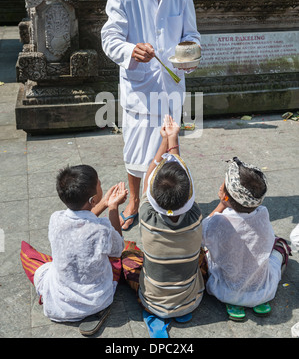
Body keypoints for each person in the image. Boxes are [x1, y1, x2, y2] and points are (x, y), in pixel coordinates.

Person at [101, 0, 201, 230]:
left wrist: (188, 54)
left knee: (171, 141)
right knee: (134, 146)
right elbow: (110, 38)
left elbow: (193, 37)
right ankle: (134, 199)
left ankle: (173, 198)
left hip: (170, 84)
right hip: (139, 85)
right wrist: (131, 50)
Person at [20, 164, 128, 336]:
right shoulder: (102, 230)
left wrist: (104, 203)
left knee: (28, 254)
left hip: (59, 302)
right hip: (97, 300)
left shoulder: (55, 219)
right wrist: (113, 208)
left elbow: (83, 219)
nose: (101, 185)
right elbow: (117, 251)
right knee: (127, 253)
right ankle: (94, 312)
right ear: (93, 200)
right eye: (100, 184)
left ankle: (55, 299)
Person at [138, 115, 205, 338]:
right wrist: (174, 139)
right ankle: (180, 311)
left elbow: (149, 177)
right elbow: (180, 177)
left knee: (130, 256)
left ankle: (156, 316)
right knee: (202, 256)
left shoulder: (146, 215)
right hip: (191, 302)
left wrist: (165, 142)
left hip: (152, 302)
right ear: (188, 197)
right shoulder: (195, 215)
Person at [201, 157, 292, 321]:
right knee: (279, 245)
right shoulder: (263, 213)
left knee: (207, 250)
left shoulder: (217, 222)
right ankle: (256, 301)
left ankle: (235, 302)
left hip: (225, 291)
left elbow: (201, 233)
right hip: (263, 291)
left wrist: (221, 205)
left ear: (226, 195)